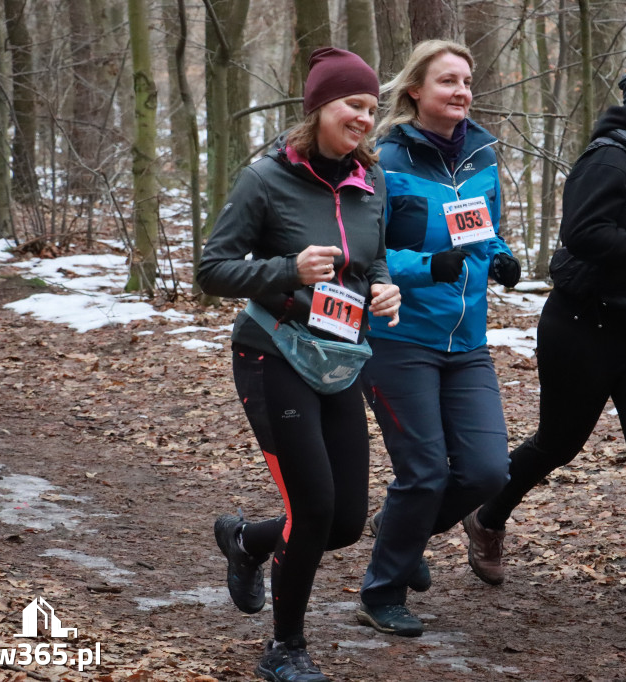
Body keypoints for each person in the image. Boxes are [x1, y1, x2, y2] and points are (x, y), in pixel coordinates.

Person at [463, 59, 626, 622]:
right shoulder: (608, 157)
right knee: (559, 443)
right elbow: (582, 234)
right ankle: (487, 517)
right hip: (586, 325)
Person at [196, 47, 400, 682]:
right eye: (352, 105)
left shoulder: (373, 183)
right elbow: (212, 270)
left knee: (342, 521)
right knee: (312, 509)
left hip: (337, 357)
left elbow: (373, 259)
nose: (365, 118)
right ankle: (286, 648)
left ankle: (248, 540)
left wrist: (385, 287)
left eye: (371, 107)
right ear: (318, 108)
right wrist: (287, 269)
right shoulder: (265, 179)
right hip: (271, 352)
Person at [353, 40, 522, 638]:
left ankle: (400, 530)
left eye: (467, 82)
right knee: (423, 473)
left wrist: (500, 258)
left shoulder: (480, 152)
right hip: (398, 336)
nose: (461, 91)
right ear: (415, 91)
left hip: (467, 340)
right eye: (447, 80)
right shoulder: (383, 160)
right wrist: (428, 267)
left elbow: (482, 228)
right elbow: (363, 253)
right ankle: (383, 591)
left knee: (486, 472)